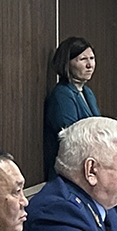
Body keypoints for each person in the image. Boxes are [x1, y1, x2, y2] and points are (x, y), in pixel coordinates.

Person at [42, 36, 98, 178]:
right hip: (69, 173)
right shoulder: (62, 94)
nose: (90, 65)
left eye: (92, 58)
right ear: (67, 63)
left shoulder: (87, 92)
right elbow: (72, 137)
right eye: (83, 59)